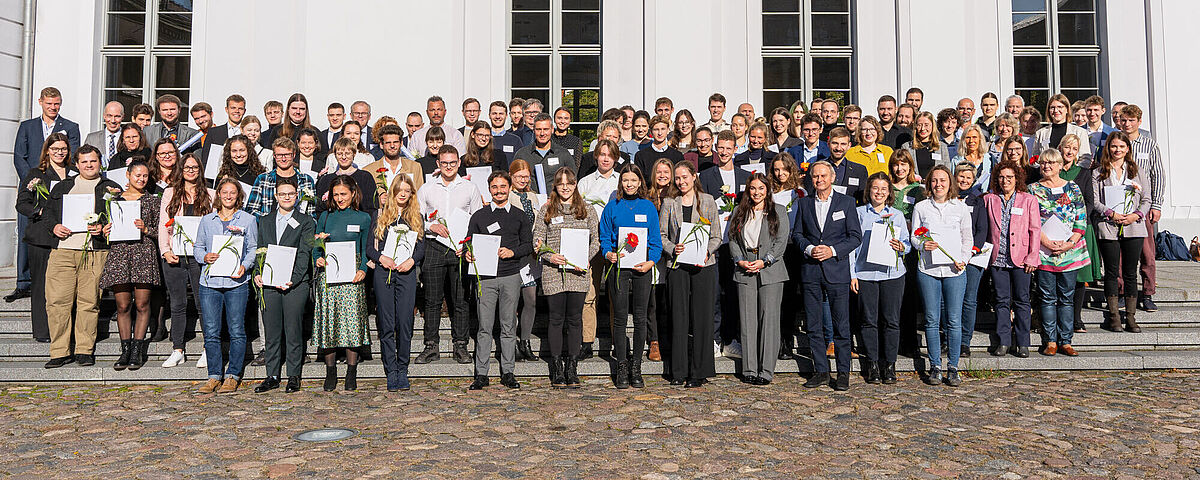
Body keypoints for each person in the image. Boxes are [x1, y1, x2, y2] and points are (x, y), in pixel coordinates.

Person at [42, 145, 120, 369]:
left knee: (89, 302)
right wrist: (55, 226)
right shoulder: (63, 186)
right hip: (63, 251)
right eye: (84, 162)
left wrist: (104, 227)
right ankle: (59, 351)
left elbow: (119, 217)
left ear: (100, 163)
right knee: (57, 302)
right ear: (76, 164)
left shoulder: (111, 188)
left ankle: (84, 350)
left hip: (94, 252)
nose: (89, 165)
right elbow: (47, 213)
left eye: (93, 161)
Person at [793, 160, 862, 391]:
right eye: (815, 177)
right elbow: (797, 234)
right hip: (811, 271)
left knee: (841, 325)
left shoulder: (847, 203)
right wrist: (809, 249)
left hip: (837, 271)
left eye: (823, 176)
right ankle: (821, 371)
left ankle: (843, 373)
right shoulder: (803, 204)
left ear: (832, 177)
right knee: (814, 325)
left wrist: (832, 251)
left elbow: (855, 237)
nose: (819, 180)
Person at [463, 171, 533, 390]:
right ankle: (481, 373)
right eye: (495, 187)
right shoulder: (479, 216)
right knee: (484, 326)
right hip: (485, 278)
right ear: (489, 189)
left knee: (508, 325)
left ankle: (508, 372)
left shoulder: (520, 215)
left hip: (510, 275)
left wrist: (512, 252)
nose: (500, 191)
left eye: (503, 186)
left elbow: (528, 245)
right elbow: (468, 242)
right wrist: (468, 253)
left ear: (510, 187)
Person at [11, 88, 81, 304]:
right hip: (33, 189)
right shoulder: (27, 126)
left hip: (59, 188)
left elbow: (72, 156)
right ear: (41, 102)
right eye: (49, 103)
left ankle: (52, 277)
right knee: (27, 232)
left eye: (57, 103)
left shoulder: (70, 127)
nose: (53, 107)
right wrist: (32, 181)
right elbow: (19, 157)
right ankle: (23, 283)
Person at [415, 146, 484, 364]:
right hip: (434, 247)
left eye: (453, 163)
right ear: (438, 164)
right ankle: (430, 346)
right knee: (432, 300)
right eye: (444, 163)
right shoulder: (426, 188)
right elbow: (416, 218)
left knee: (461, 300)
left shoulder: (470, 188)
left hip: (460, 250)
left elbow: (477, 219)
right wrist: (430, 226)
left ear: (459, 163)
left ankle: (460, 345)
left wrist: (469, 246)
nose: (449, 167)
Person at [534, 168, 599, 388]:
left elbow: (595, 242)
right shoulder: (546, 210)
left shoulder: (587, 210)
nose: (565, 187)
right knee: (555, 319)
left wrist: (585, 257)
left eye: (569, 183)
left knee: (574, 319)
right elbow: (537, 242)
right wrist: (551, 257)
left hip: (578, 273)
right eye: (560, 183)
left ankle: (572, 366)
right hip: (554, 274)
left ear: (575, 185)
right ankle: (556, 366)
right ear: (555, 186)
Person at [599, 164, 662, 389]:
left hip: (642, 268)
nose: (629, 184)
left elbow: (656, 240)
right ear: (621, 182)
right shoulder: (612, 206)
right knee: (619, 318)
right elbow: (605, 236)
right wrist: (608, 253)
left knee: (640, 317)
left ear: (640, 183)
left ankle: (637, 365)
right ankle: (622, 365)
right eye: (625, 180)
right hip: (619, 269)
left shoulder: (648, 207)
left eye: (633, 180)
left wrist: (651, 261)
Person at [193, 177, 258, 393]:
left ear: (238, 196)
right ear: (218, 195)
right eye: (225, 192)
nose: (228, 196)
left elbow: (252, 249)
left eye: (233, 193)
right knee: (211, 331)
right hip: (210, 282)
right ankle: (213, 376)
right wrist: (205, 257)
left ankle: (233, 375)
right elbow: (197, 248)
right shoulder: (207, 220)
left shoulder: (247, 220)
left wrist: (246, 266)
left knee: (236, 329)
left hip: (236, 281)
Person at [659, 161, 720, 387]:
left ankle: (699, 371)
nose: (681, 181)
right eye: (677, 178)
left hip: (703, 265)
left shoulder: (708, 201)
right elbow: (662, 235)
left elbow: (716, 236)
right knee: (679, 317)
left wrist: (707, 251)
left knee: (702, 318)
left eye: (685, 177)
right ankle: (678, 370)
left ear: (694, 177)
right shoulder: (669, 203)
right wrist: (672, 248)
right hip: (677, 266)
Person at [910, 165, 972, 386]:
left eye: (943, 180)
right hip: (929, 270)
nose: (938, 184)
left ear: (950, 183)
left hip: (955, 270)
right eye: (934, 180)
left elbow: (967, 238)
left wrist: (964, 259)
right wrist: (923, 244)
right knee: (931, 319)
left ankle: (953, 366)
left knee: (954, 321)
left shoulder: (960, 207)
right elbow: (914, 238)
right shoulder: (921, 207)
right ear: (929, 183)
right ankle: (935, 366)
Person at [728, 173, 790, 385]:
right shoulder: (739, 211)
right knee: (747, 320)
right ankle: (749, 368)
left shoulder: (778, 211)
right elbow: (732, 240)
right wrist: (739, 260)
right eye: (753, 189)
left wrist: (766, 261)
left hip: (770, 270)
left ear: (767, 190)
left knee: (769, 321)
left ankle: (766, 370)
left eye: (761, 189)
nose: (757, 193)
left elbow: (781, 242)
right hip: (745, 267)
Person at [252, 181, 314, 394]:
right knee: (272, 331)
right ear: (276, 196)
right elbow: (259, 250)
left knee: (293, 330)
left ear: (297, 196)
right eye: (282, 194)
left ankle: (294, 375)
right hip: (269, 283)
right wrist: (257, 273)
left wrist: (293, 279)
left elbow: (305, 253)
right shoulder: (265, 220)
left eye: (291, 194)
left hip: (294, 285)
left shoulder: (306, 221)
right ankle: (272, 375)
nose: (287, 197)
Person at [98, 161, 160, 371]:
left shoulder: (153, 201)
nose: (141, 179)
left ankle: (137, 349)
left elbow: (161, 231)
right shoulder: (113, 200)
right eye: (137, 176)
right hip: (120, 254)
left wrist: (146, 228)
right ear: (128, 175)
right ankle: (124, 349)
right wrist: (105, 229)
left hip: (143, 253)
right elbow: (106, 226)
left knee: (142, 304)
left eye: (145, 176)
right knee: (123, 305)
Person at [312, 176, 372, 391]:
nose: (339, 199)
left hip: (352, 275)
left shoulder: (364, 218)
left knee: (352, 322)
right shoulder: (325, 217)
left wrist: (363, 269)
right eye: (336, 194)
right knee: (329, 320)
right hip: (328, 274)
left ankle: (351, 371)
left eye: (343, 194)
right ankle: (330, 373)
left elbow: (366, 248)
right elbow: (316, 245)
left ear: (353, 194)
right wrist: (317, 257)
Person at [850, 172, 911, 384]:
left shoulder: (897, 215)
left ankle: (890, 364)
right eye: (876, 188)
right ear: (869, 190)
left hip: (892, 274)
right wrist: (852, 275)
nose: (879, 192)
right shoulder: (858, 214)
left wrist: (901, 247)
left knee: (891, 320)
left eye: (884, 189)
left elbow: (908, 244)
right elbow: (852, 247)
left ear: (889, 193)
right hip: (865, 273)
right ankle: (873, 364)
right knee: (868, 320)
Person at [1029, 148, 1088, 356]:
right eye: (1043, 163)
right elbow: (1031, 220)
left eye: (1051, 163)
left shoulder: (1072, 188)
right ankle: (1050, 341)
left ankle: (1066, 340)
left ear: (1060, 166)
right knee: (1047, 297)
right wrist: (1046, 242)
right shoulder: (1033, 190)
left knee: (1066, 297)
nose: (1046, 166)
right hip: (1044, 251)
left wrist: (1070, 243)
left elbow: (1081, 217)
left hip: (1069, 251)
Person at [158, 153, 215, 367]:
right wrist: (165, 250)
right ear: (180, 170)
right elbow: (164, 223)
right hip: (175, 254)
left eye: (194, 168)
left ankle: (208, 348)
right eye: (187, 167)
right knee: (178, 302)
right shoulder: (170, 193)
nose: (190, 171)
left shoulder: (210, 194)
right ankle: (178, 348)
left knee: (203, 303)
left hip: (200, 256)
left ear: (200, 170)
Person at [16, 133, 73, 342]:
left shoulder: (74, 173)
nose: (59, 152)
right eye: (55, 149)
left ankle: (66, 330)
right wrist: (40, 212)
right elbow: (22, 203)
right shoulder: (36, 173)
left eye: (63, 149)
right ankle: (42, 331)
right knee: (40, 284)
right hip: (41, 237)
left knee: (65, 287)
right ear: (47, 150)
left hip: (67, 236)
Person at [1092, 132, 1150, 333]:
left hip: (1133, 226)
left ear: (1128, 149)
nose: (1117, 150)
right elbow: (1095, 200)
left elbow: (1146, 199)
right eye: (1114, 146)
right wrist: (1111, 213)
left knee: (1130, 273)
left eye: (1121, 147)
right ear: (1108, 148)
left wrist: (1136, 215)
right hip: (1109, 226)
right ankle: (1114, 315)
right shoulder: (1099, 172)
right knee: (1110, 271)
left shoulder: (1137, 171)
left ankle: (1131, 317)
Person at [984, 160, 1041, 358]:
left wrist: (1033, 257)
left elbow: (1035, 230)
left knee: (1022, 300)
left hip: (1022, 259)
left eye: (1010, 177)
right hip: (998, 258)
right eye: (1001, 177)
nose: (1005, 180)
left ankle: (1023, 342)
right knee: (1001, 301)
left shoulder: (1028, 200)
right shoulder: (990, 199)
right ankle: (1004, 341)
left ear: (1017, 179)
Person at [576, 139, 622, 359]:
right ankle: (587, 341)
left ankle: (617, 340)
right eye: (602, 154)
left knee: (616, 294)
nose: (605, 158)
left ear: (615, 158)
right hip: (591, 243)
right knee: (589, 293)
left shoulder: (622, 181)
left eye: (609, 155)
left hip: (616, 244)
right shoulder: (585, 183)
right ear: (596, 156)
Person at [1116, 104, 1164, 312]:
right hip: (1118, 203)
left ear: (1139, 122)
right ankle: (1121, 291)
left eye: (1131, 121)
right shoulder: (1115, 142)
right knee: (1119, 253)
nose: (1127, 124)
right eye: (1124, 120)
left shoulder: (1149, 145)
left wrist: (1156, 204)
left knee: (1146, 251)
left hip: (1142, 205)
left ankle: (1148, 292)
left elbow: (1158, 175)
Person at [1057, 134, 1102, 332]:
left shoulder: (1083, 173)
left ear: (1078, 153)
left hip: (1080, 230)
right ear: (1060, 149)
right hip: (1056, 230)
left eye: (1074, 149)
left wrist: (1075, 222)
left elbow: (1090, 202)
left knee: (1078, 277)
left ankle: (1076, 318)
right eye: (1067, 147)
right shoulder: (1053, 171)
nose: (1069, 152)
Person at [952, 163, 990, 358]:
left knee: (969, 300)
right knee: (949, 301)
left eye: (968, 178)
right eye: (961, 177)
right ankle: (950, 338)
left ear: (973, 180)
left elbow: (982, 229)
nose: (964, 181)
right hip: (950, 256)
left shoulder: (977, 201)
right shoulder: (947, 199)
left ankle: (965, 341)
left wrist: (972, 250)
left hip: (972, 258)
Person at [508, 160, 543, 361]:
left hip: (531, 256)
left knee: (530, 299)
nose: (523, 179)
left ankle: (525, 341)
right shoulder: (508, 195)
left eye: (526, 176)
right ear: (511, 176)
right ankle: (511, 342)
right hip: (515, 255)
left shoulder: (533, 196)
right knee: (511, 301)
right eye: (519, 176)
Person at [771, 153, 805, 359]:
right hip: (774, 247)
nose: (780, 173)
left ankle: (787, 340)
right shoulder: (770, 193)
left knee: (790, 297)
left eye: (784, 169)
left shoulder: (799, 193)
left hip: (794, 247)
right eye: (776, 169)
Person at [245, 138, 317, 217]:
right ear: (274, 156)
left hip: (298, 227)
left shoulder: (306, 180)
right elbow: (251, 210)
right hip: (269, 227)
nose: (283, 159)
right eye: (279, 155)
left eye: (287, 155)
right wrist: (269, 221)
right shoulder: (263, 179)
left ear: (294, 155)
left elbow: (311, 212)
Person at [513, 113, 576, 194]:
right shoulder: (522, 154)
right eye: (538, 129)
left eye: (546, 129)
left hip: (556, 201)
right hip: (529, 201)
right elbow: (514, 180)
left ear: (552, 129)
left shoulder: (563, 154)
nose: (542, 133)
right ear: (533, 130)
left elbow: (572, 180)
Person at [317, 136, 380, 215]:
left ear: (354, 154)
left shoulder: (365, 177)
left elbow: (372, 207)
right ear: (335, 155)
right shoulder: (326, 180)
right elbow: (320, 208)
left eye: (347, 153)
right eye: (340, 154)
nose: (343, 157)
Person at [803, 127, 868, 202]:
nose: (838, 148)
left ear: (849, 145)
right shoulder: (814, 168)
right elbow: (809, 196)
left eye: (843, 144)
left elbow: (862, 200)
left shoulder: (859, 170)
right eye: (835, 143)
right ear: (828, 144)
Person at [1030, 94, 1093, 165]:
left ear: (1067, 109)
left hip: (1072, 174)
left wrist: (1074, 172)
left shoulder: (1080, 132)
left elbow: (1086, 159)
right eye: (1052, 107)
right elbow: (1035, 158)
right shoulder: (1041, 133)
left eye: (1060, 107)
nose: (1056, 110)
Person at [901, 111, 951, 177]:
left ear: (932, 126)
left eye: (926, 125)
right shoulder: (907, 147)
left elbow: (947, 171)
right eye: (919, 125)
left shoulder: (942, 147)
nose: (922, 128)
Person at [952, 125, 991, 197]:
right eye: (968, 137)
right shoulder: (956, 160)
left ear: (980, 139)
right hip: (961, 200)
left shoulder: (989, 159)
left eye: (974, 137)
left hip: (983, 201)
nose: (971, 141)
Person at [84, 101, 124, 169]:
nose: (113, 120)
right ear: (104, 116)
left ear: (123, 117)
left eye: (117, 116)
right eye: (109, 116)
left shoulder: (128, 138)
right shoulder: (92, 138)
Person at [889, 150, 925, 218]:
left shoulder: (917, 189)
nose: (899, 169)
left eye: (903, 164)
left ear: (910, 166)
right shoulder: (887, 188)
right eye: (896, 165)